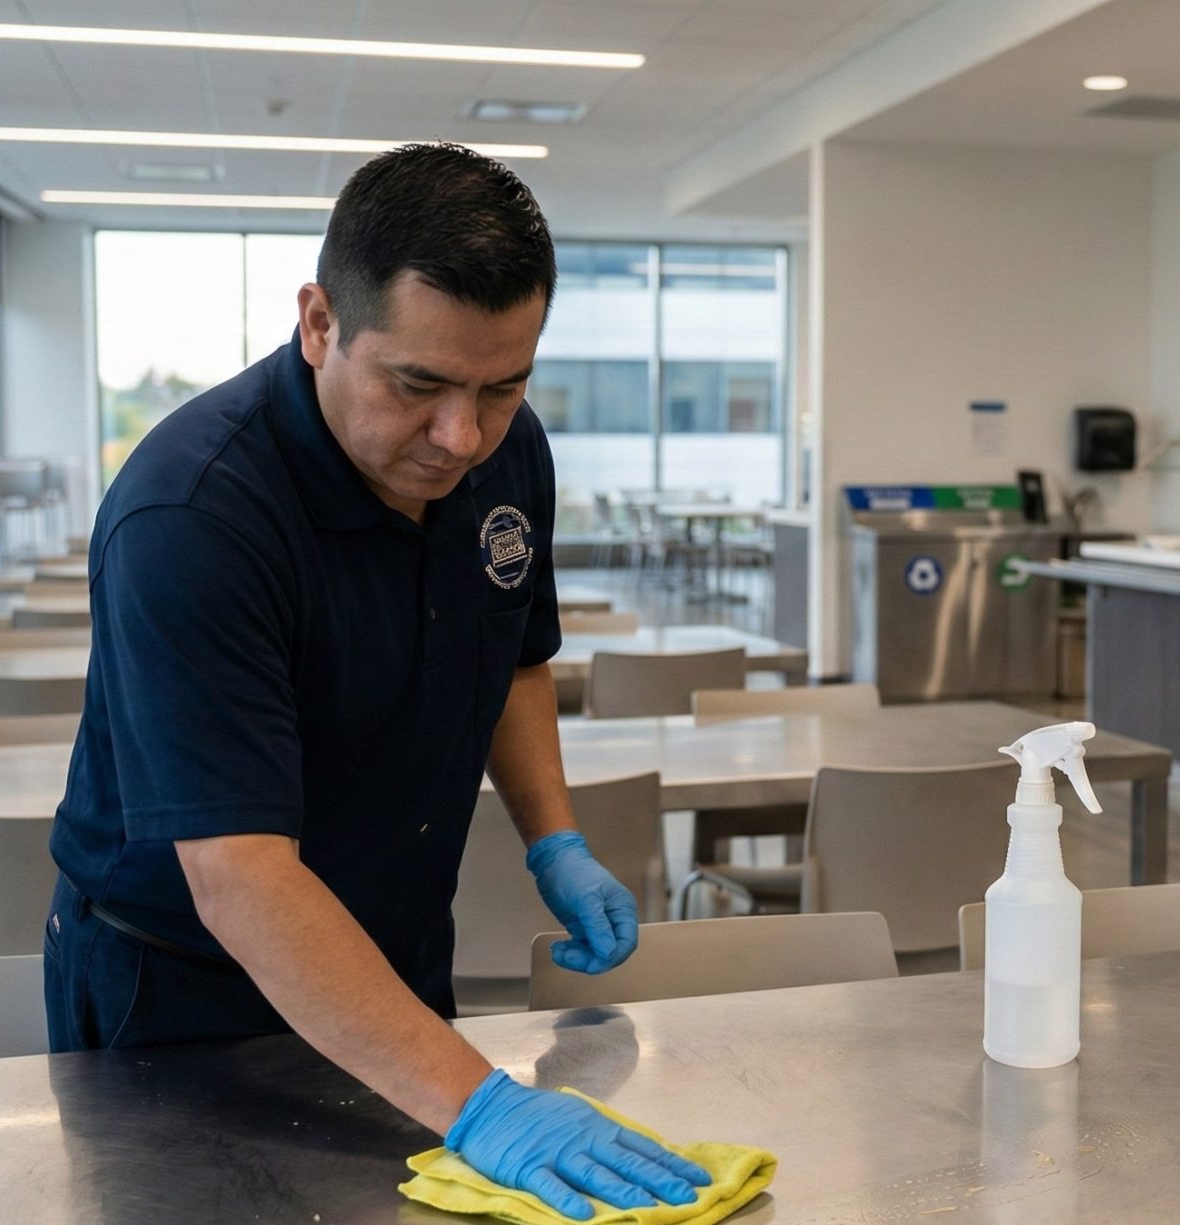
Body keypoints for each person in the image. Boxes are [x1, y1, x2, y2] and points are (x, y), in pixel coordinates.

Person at [41, 144, 708, 1220]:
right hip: (182, 995)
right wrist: (484, 1106)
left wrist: (554, 837)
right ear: (319, 324)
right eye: (420, 385)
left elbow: (514, 652)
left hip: (390, 957)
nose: (461, 436)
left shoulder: (506, 450)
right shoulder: (194, 515)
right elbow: (241, 877)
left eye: (503, 385)